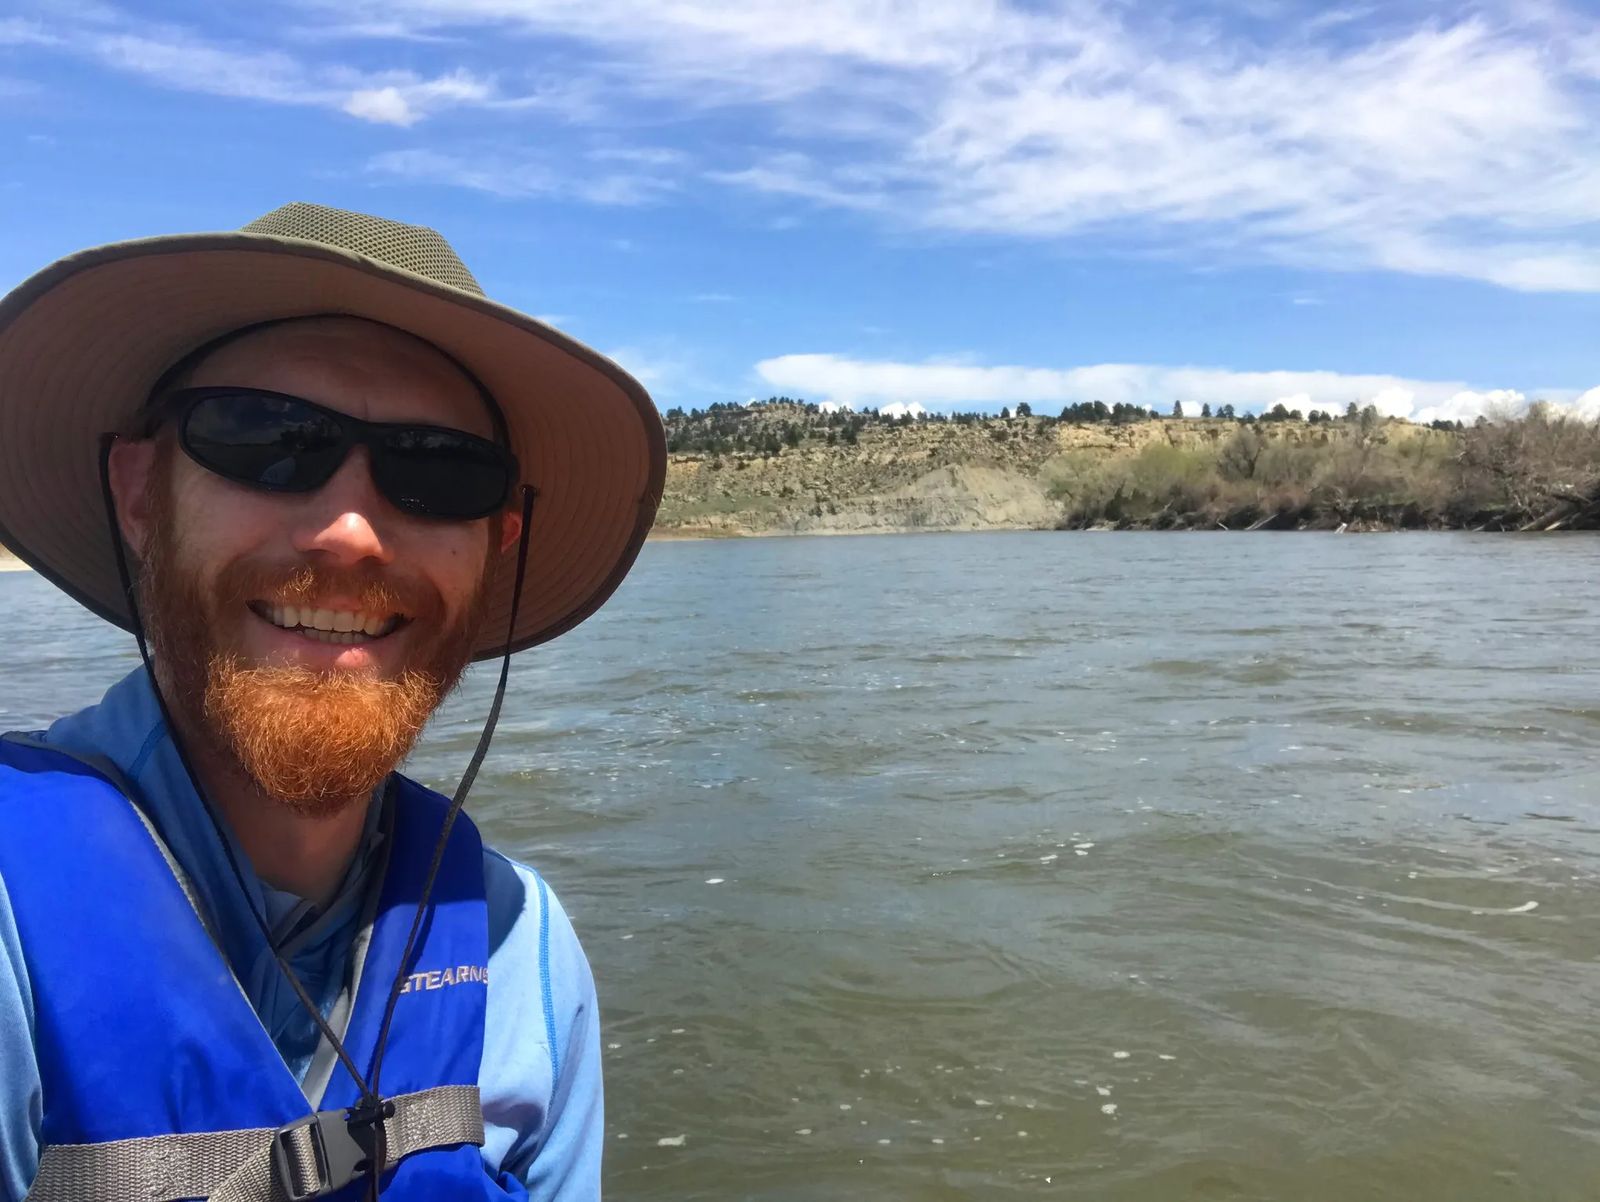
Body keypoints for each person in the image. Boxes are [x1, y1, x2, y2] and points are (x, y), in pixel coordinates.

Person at [0, 202, 665, 1199]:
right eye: (267, 437)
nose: (352, 531)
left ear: (501, 542)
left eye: (438, 469)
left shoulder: (521, 947)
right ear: (140, 493)